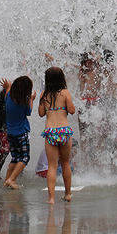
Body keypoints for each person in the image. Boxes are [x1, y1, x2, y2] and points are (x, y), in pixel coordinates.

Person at [37, 66, 75, 204]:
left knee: (52, 166)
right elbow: (72, 110)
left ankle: (51, 198)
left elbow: (41, 113)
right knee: (65, 163)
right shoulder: (65, 93)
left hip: (51, 131)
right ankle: (68, 194)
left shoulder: (43, 95)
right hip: (64, 131)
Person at [1, 76, 35, 189]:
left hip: (10, 133)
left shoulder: (8, 96)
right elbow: (29, 112)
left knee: (15, 158)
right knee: (25, 158)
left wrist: (8, 86)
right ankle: (11, 179)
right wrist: (32, 99)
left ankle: (6, 181)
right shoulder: (24, 102)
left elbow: (8, 91)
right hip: (21, 133)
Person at [0, 89, 11, 179]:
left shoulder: (7, 97)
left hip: (8, 128)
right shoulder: (0, 97)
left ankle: (19, 171)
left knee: (15, 151)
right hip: (3, 129)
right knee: (5, 151)